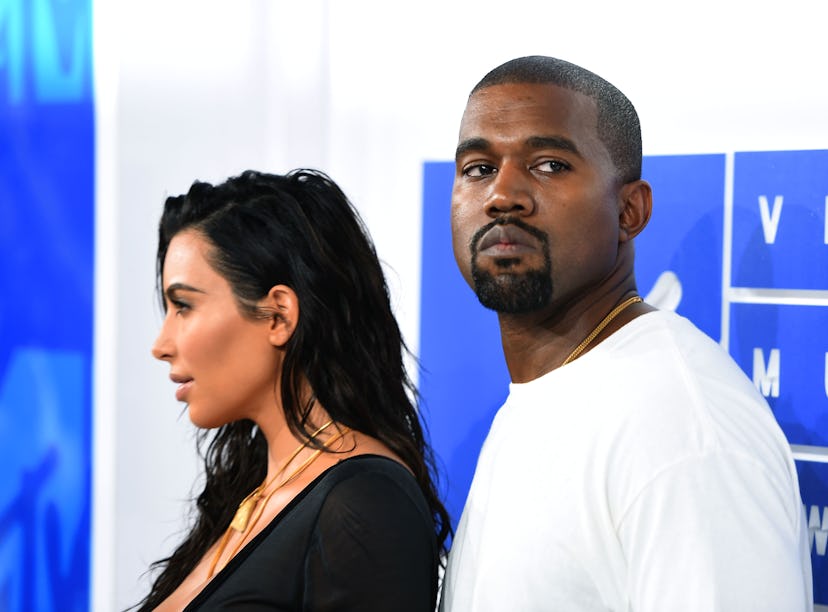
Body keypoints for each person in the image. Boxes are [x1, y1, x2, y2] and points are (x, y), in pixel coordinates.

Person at [439, 56, 813, 611]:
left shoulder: (679, 423)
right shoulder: (554, 388)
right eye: (477, 168)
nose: (502, 194)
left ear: (630, 211)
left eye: (548, 164)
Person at [137, 169, 450, 611]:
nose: (160, 346)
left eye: (184, 306)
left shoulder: (364, 503)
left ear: (278, 316)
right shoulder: (251, 493)